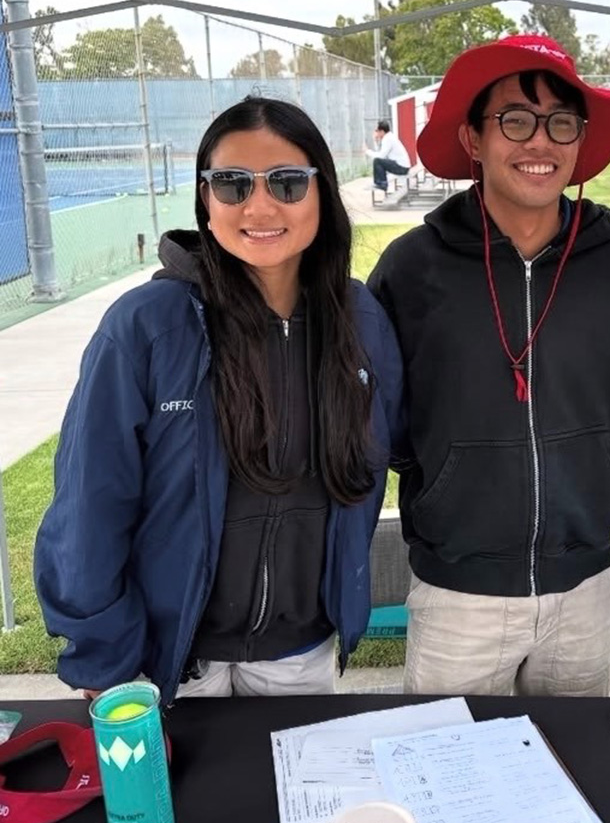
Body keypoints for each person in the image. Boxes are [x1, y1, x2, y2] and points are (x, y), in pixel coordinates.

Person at [35, 97, 404, 703]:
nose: (259, 206)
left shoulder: (360, 319)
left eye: (287, 182)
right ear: (206, 198)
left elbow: (394, 445)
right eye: (232, 184)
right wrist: (104, 656)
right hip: (168, 661)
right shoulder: (146, 326)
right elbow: (89, 503)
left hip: (300, 653)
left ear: (322, 192)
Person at [368, 34, 610, 697]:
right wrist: (447, 482)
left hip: (585, 587)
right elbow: (382, 413)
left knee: (576, 755)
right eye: (516, 120)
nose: (540, 142)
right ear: (473, 138)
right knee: (449, 755)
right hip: (458, 592)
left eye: (561, 122)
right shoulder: (412, 268)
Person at [365, 118, 411, 190]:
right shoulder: (389, 137)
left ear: (382, 131)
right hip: (403, 166)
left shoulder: (387, 139)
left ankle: (381, 183)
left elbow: (380, 156)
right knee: (378, 161)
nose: (376, 133)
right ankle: (381, 183)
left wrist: (367, 151)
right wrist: (375, 141)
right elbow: (381, 154)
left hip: (402, 167)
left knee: (377, 161)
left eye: (377, 131)